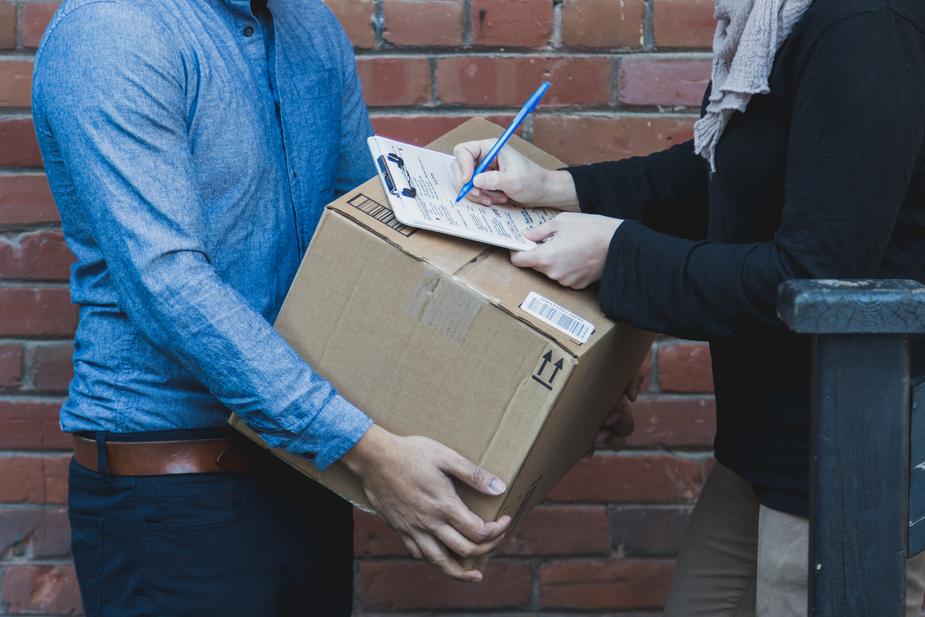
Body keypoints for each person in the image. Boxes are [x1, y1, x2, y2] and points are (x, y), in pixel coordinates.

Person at [31, 0, 511, 615]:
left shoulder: (311, 27)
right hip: (176, 491)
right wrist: (365, 447)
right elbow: (167, 284)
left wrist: (533, 357)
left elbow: (376, 236)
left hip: (313, 465)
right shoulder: (114, 30)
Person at [452, 0, 925, 614]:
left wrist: (616, 256)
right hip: (769, 447)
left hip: (852, 458)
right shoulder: (770, 20)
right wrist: (559, 188)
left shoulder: (865, 27)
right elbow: (724, 170)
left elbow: (816, 281)